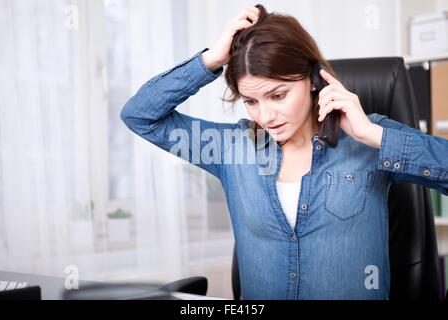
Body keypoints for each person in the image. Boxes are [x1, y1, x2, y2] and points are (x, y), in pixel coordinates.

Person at [121, 4, 448, 299]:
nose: (265, 116)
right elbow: (140, 115)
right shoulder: (233, 149)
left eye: (278, 95)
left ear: (311, 79)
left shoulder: (367, 140)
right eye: (251, 101)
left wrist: (371, 134)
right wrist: (211, 59)